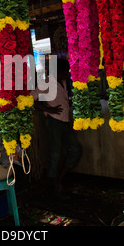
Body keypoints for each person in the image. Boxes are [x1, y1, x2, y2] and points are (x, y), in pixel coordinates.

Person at [31, 58, 82, 194]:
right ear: (58, 72)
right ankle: (55, 184)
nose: (67, 75)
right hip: (54, 122)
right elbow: (31, 99)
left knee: (75, 149)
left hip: (65, 121)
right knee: (55, 153)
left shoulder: (64, 82)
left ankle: (59, 177)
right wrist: (47, 109)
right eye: (65, 72)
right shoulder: (47, 83)